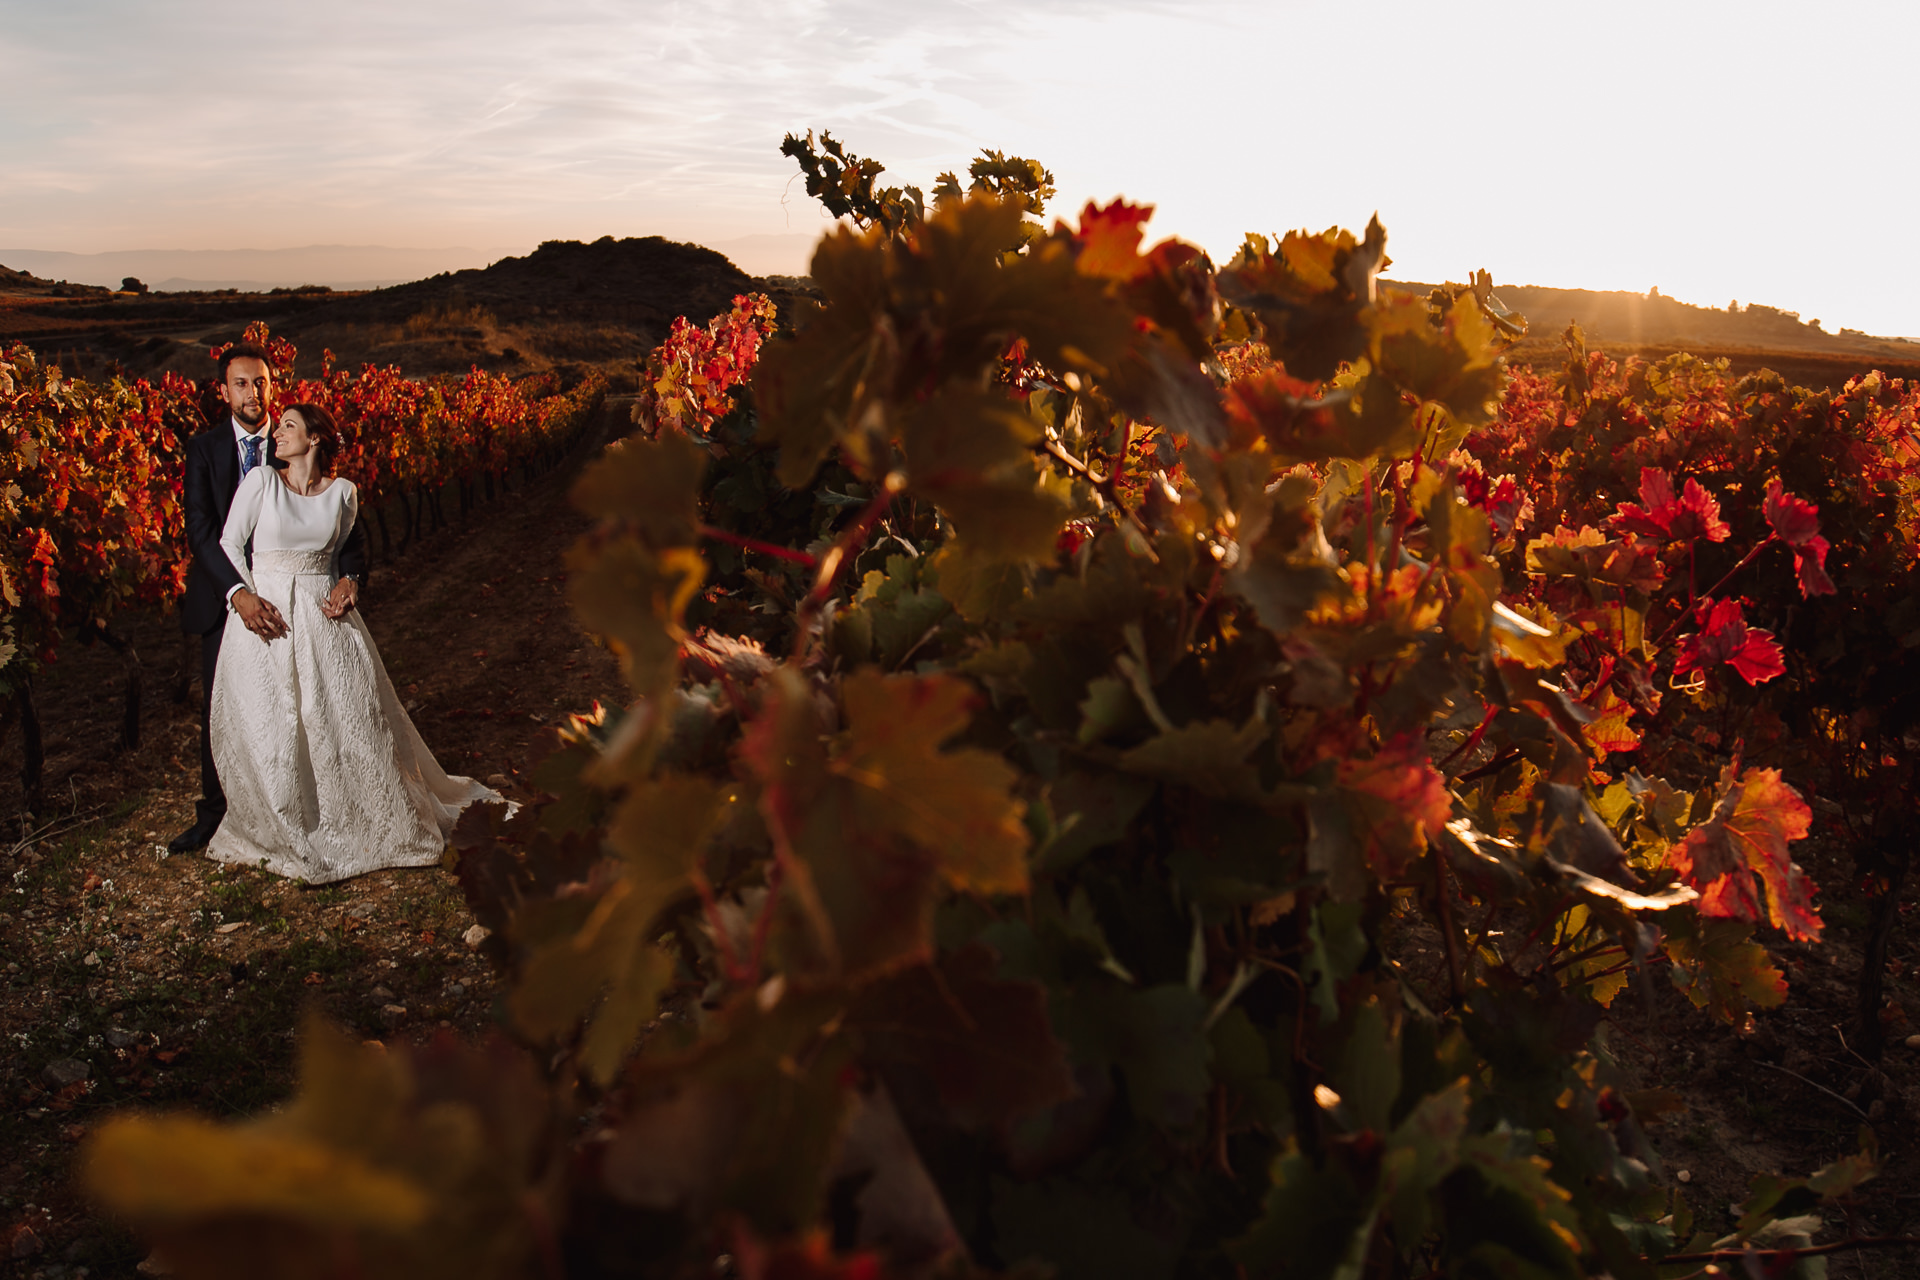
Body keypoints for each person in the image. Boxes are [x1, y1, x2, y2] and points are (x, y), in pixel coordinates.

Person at [204, 404, 497, 883]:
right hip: (268, 618)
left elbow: (351, 550)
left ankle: (362, 820)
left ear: (316, 438)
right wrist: (245, 598)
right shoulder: (261, 482)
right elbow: (228, 544)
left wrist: (351, 581)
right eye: (279, 427)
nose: (277, 433)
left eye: (289, 427)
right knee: (271, 725)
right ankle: (286, 827)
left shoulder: (343, 494)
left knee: (346, 720)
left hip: (325, 621)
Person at [168, 343, 370, 854]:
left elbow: (348, 537)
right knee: (227, 708)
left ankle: (303, 804)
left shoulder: (295, 442)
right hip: (228, 599)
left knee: (305, 707)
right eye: (241, 383)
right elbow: (202, 533)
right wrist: (239, 594)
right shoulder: (205, 449)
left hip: (300, 602)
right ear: (223, 390)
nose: (253, 393)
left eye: (261, 382)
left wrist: (350, 577)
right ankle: (217, 814)